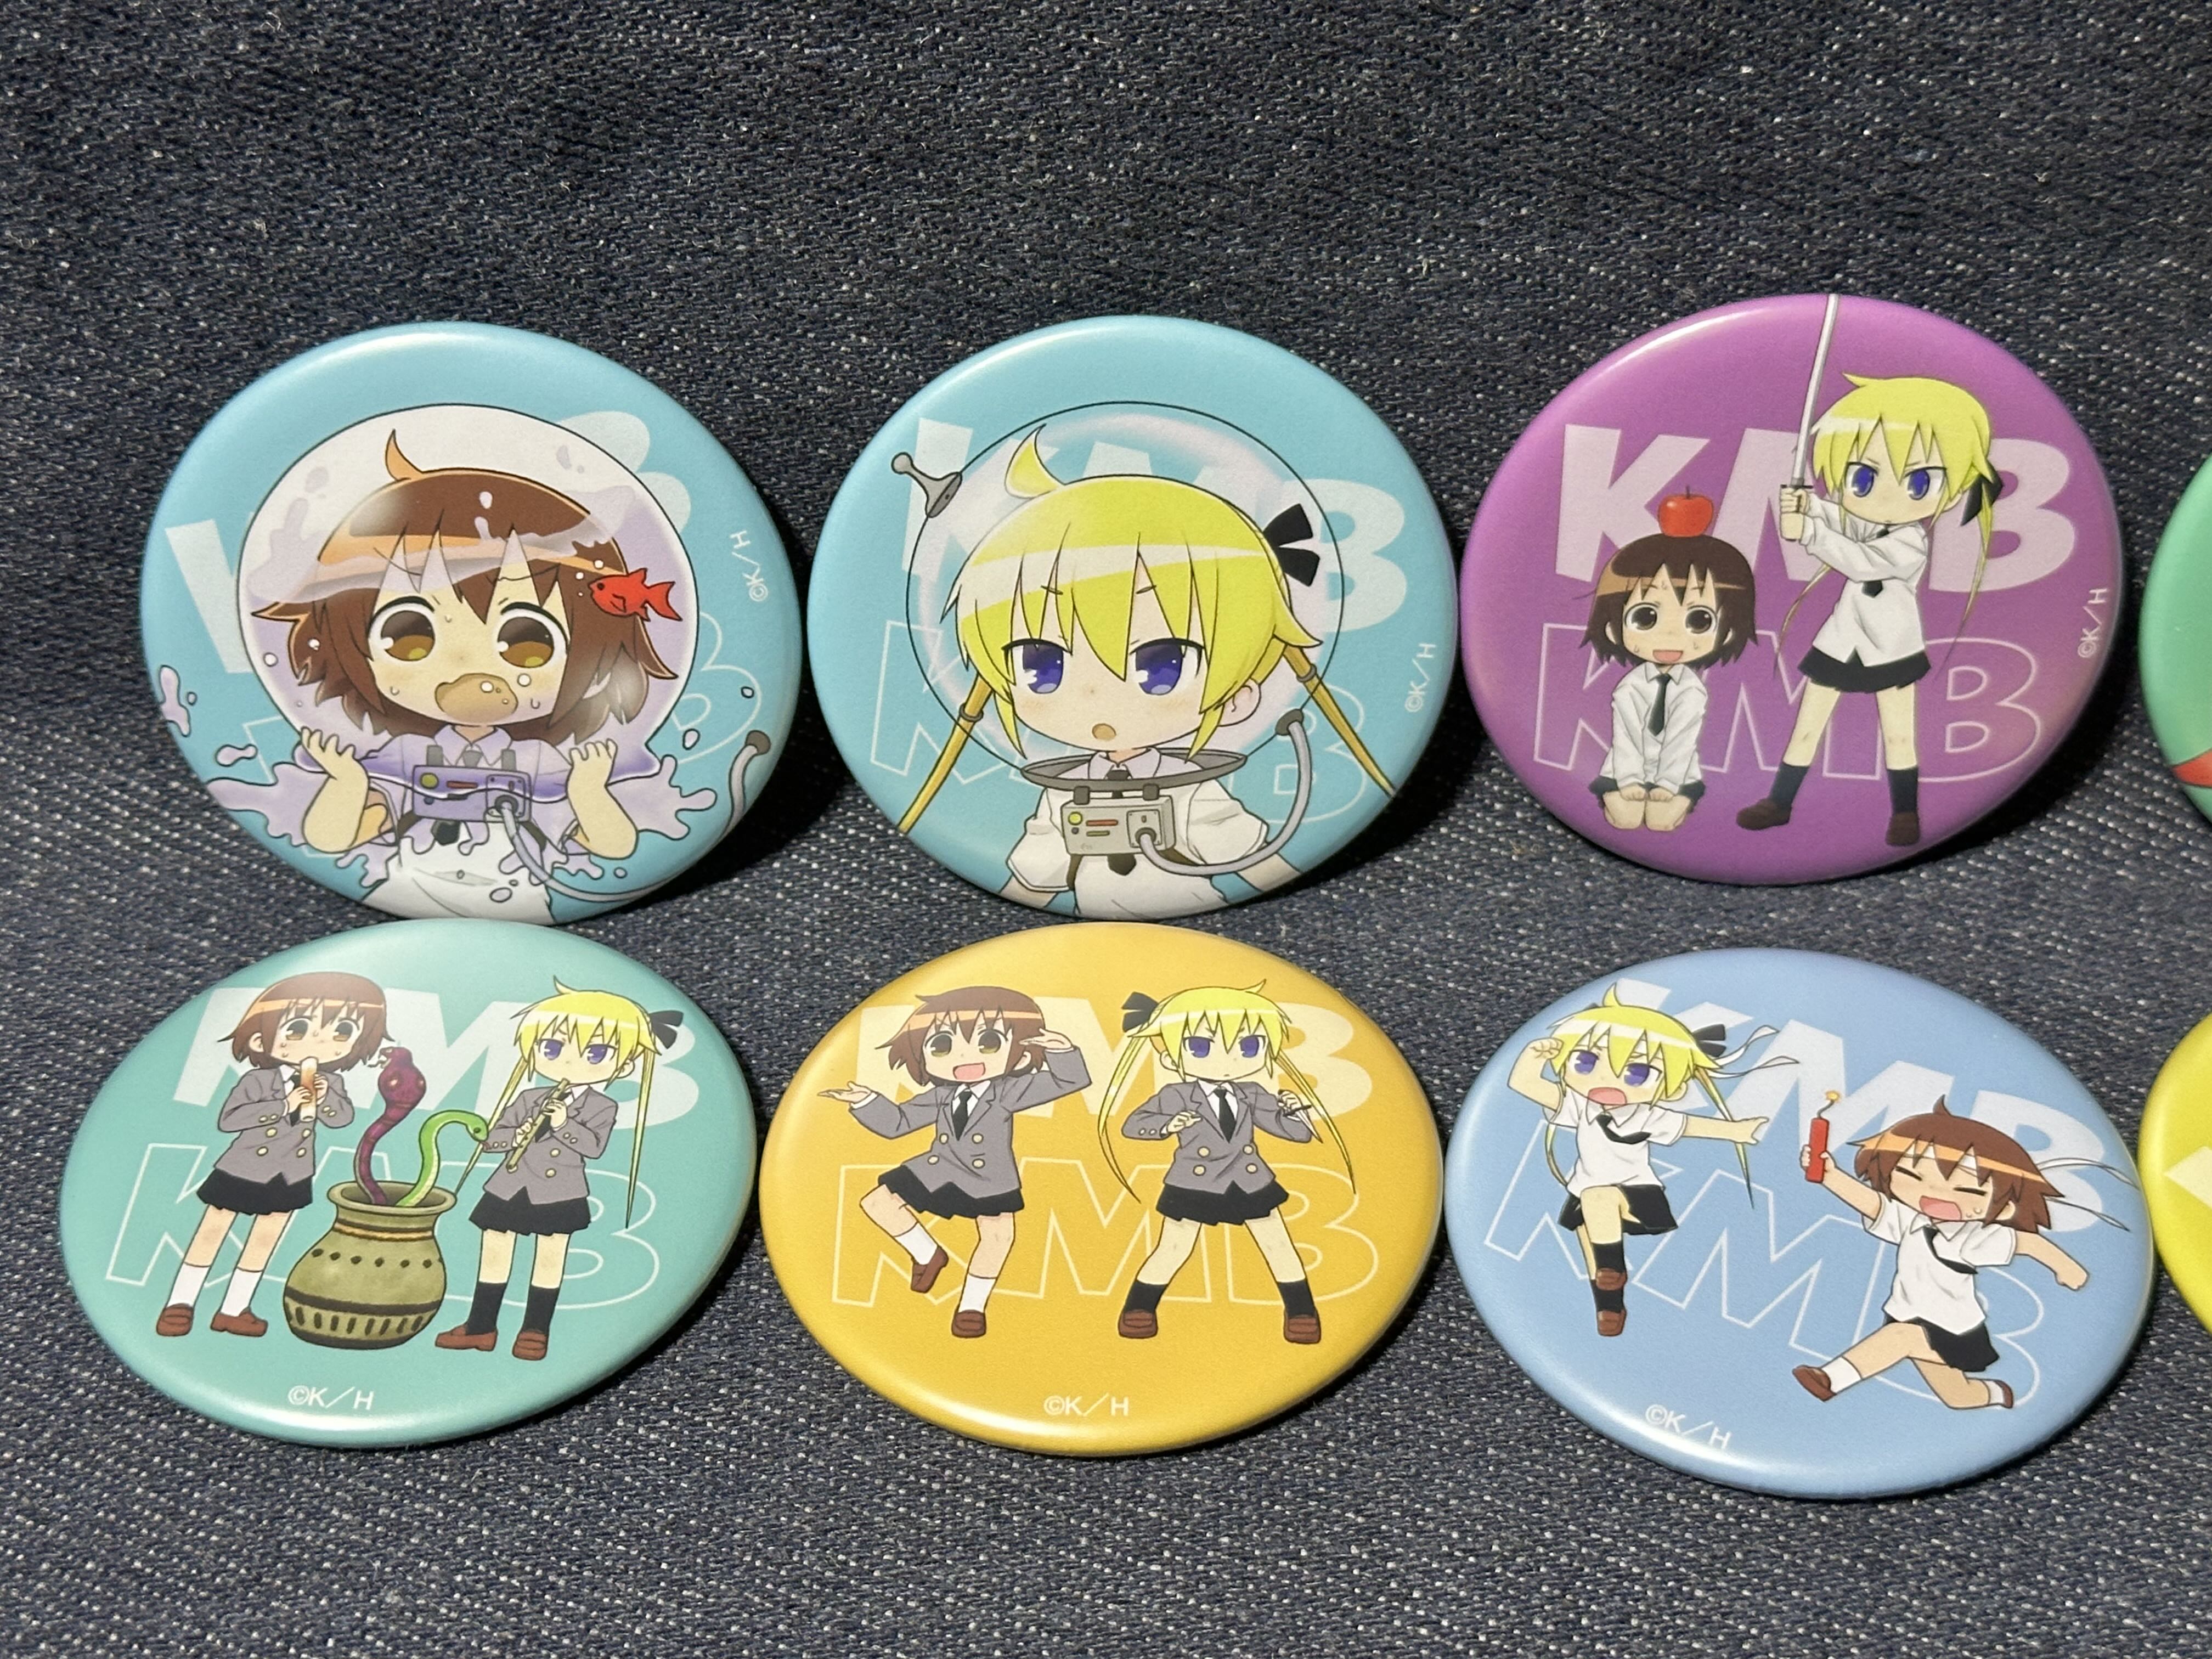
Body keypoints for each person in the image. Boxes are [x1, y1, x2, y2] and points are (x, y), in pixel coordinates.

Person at [257, 435, 681, 919]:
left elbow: (617, 848)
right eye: (410, 637)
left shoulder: (541, 764)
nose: (471, 678)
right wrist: (348, 782)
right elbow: (329, 840)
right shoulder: (404, 756)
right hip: (407, 892)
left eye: (528, 642)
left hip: (523, 896)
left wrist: (588, 792)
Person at [1736, 374, 2003, 848]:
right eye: (1863, 477)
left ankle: (1906, 813)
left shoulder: (1910, 541)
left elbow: (1862, 562)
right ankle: (1779, 802)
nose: (1885, 495)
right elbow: (1842, 517)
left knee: (1899, 734)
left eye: (1919, 482)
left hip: (1892, 646)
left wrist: (1810, 532)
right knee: (1807, 726)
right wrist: (1806, 507)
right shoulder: (1863, 520)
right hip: (1842, 639)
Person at [823, 986, 1089, 1338]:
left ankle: (971, 1308)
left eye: (989, 1043)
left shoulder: (1008, 1091)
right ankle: (927, 1253)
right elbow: (898, 1123)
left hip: (989, 1177)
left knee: (998, 1237)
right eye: (942, 1046)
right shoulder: (941, 1095)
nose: (964, 1056)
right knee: (877, 1202)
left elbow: (1069, 1080)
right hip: (939, 1167)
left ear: (1021, 1053)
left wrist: (1062, 1051)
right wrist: (866, 1100)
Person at [1506, 988, 1768, 1337]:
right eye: (1586, 1063)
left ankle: (1613, 1268)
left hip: (1636, 1194)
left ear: (1673, 1088)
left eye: (1638, 1073)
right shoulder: (1579, 1105)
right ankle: (1610, 1309)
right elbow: (1523, 1084)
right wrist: (1532, 1056)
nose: (1606, 1080)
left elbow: (1690, 1125)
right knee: (1591, 1252)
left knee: (1600, 1201)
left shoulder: (1646, 1115)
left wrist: (1737, 1131)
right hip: (1584, 1193)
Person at [1795, 1099, 2087, 1410]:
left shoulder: (1972, 1237)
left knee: (1901, 1339)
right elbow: (1874, 1205)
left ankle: (1830, 1379)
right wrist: (1830, 1176)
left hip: (1953, 1330)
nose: (1935, 1194)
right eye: (1913, 1176)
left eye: (1968, 1191)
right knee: (1958, 1398)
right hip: (1907, 1313)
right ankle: (1996, 1393)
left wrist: (2067, 1267)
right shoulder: (1913, 1221)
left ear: (2005, 1208)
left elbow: (2026, 1242)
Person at [436, 983, 671, 1361]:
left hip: (559, 1191)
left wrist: (563, 1123)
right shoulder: (530, 1098)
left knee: (549, 1259)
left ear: (624, 1065)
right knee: (495, 1253)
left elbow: (594, 1148)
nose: (570, 1061)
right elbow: (493, 1138)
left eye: (596, 1053)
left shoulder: (602, 1106)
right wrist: (516, 1135)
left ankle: (535, 1331)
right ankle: (481, 1327)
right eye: (553, 1048)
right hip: (510, 1186)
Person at [1102, 985, 1344, 1345]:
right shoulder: (1176, 1095)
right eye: (1201, 1047)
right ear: (1170, 1058)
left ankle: (1301, 1312)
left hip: (1249, 1179)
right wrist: (1168, 1126)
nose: (1227, 1059)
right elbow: (1133, 1125)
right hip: (1194, 1183)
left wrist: (1297, 1113)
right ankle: (1139, 1309)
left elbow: (1295, 1134)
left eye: (1248, 1046)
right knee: (1173, 1248)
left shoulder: (1253, 1094)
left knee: (1278, 1245)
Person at [156, 972, 386, 1338]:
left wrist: (324, 1098)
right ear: (261, 1039)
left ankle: (234, 1308)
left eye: (343, 1031)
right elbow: (230, 1120)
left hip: (292, 1172)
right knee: (212, 1231)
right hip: (243, 1168)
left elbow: (341, 1119)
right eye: (298, 1029)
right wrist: (284, 1104)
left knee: (264, 1241)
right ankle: (180, 1303)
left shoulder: (333, 1082)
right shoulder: (258, 1080)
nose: (321, 1041)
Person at [1579, 493, 1757, 832]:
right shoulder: (1630, 687)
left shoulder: (1692, 690)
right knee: (1626, 820)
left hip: (1679, 776)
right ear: (1613, 625)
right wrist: (1629, 780)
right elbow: (1625, 736)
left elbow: (1683, 740)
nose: (1671, 636)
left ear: (1728, 628)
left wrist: (1668, 784)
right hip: (1621, 771)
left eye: (1700, 620)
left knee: (1662, 824)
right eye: (1646, 617)